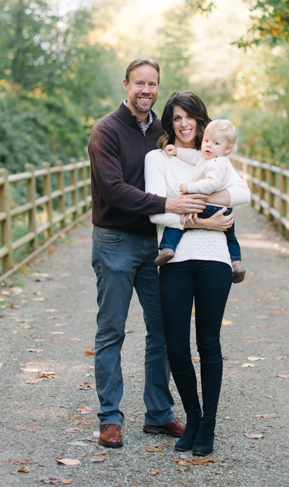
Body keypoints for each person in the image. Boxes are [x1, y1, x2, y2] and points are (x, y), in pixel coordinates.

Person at [87, 58, 208, 449]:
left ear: (158, 87)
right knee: (112, 331)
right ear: (126, 85)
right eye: (139, 83)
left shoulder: (162, 129)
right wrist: (167, 204)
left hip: (157, 245)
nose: (146, 90)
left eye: (152, 84)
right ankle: (110, 418)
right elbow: (113, 189)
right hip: (116, 241)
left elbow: (195, 160)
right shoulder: (106, 131)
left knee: (163, 330)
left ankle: (158, 413)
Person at [145, 92, 251, 457]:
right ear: (169, 123)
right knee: (175, 346)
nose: (184, 124)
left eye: (190, 117)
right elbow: (157, 212)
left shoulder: (217, 157)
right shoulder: (157, 158)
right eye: (176, 118)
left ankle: (208, 426)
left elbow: (243, 194)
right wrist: (205, 219)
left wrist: (193, 209)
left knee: (208, 343)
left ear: (200, 120)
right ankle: (192, 418)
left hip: (214, 259)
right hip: (174, 260)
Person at [155, 119, 246, 283]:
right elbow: (193, 155)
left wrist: (191, 188)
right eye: (206, 141)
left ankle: (168, 248)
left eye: (215, 143)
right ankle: (237, 263)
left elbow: (212, 184)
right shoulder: (208, 157)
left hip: (208, 206)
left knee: (180, 220)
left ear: (227, 149)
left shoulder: (218, 164)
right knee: (230, 237)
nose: (208, 146)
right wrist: (176, 151)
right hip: (225, 210)